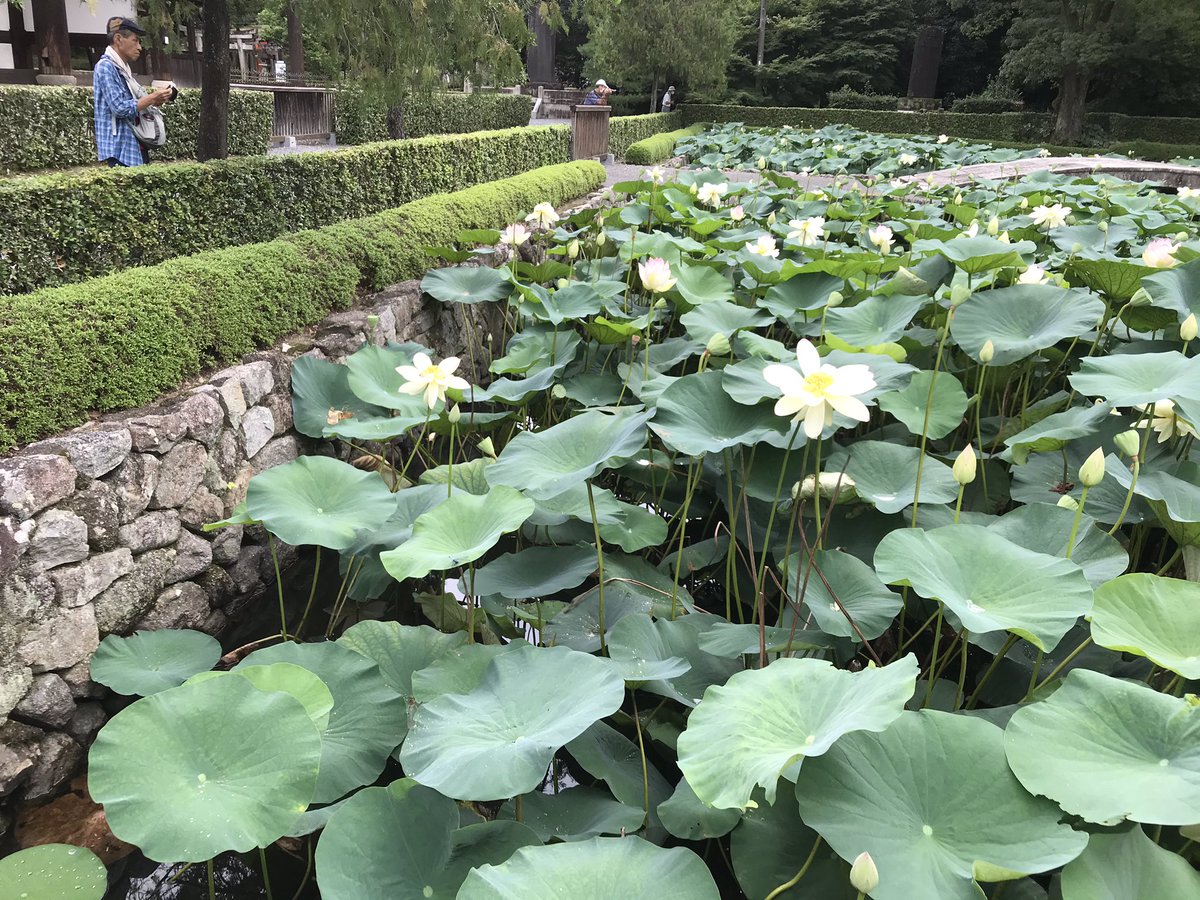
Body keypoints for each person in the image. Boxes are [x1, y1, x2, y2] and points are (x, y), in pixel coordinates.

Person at [93, 17, 172, 167]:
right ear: (118, 39)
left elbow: (135, 105)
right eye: (135, 41)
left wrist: (155, 100)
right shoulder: (106, 67)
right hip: (120, 150)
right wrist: (152, 97)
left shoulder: (123, 69)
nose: (139, 47)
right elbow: (120, 108)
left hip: (134, 145)